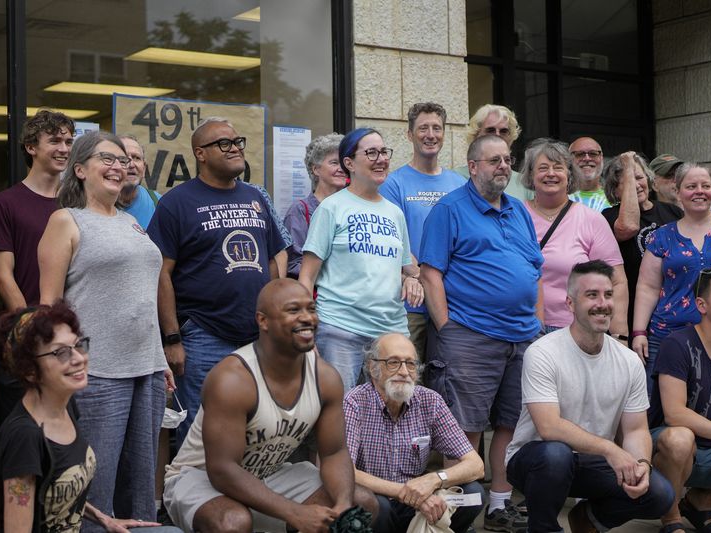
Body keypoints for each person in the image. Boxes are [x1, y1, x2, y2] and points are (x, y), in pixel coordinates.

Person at [163, 279, 379, 532]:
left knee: (360, 502)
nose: (307, 317)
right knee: (232, 522)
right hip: (201, 476)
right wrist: (295, 512)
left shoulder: (326, 378)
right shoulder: (232, 379)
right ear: (263, 321)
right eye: (293, 310)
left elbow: (333, 453)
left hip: (270, 473)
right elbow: (222, 469)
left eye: (311, 309)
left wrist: (342, 505)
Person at [39, 131, 171, 530]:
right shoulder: (66, 220)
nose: (120, 167)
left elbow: (142, 297)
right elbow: (49, 307)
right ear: (79, 169)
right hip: (96, 371)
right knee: (97, 483)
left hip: (145, 369)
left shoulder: (132, 222)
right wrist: (58, 369)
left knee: (139, 485)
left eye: (123, 160)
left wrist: (160, 360)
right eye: (107, 159)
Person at [419, 134, 542, 532]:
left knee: (510, 423)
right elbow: (431, 273)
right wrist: (447, 329)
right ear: (473, 167)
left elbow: (533, 271)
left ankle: (498, 506)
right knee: (465, 425)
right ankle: (460, 512)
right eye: (493, 160)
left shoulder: (520, 211)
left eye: (507, 159)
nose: (503, 166)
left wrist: (537, 326)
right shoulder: (450, 209)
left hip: (522, 336)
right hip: (470, 334)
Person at [505, 260, 675, 533]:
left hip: (593, 462)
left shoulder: (629, 361)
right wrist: (610, 449)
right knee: (556, 455)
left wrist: (641, 464)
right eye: (592, 295)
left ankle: (589, 519)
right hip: (536, 460)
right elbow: (549, 427)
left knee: (659, 493)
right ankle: (543, 529)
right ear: (570, 304)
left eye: (608, 295)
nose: (603, 303)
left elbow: (635, 430)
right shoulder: (543, 352)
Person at [146, 117, 286, 444]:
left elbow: (271, 261)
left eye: (238, 141)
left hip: (256, 337)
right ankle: (194, 495)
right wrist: (172, 339)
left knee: (256, 427)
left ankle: (248, 495)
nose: (235, 148)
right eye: (224, 143)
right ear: (200, 153)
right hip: (202, 336)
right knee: (198, 431)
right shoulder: (176, 203)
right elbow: (160, 273)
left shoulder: (256, 198)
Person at [0, 302, 180, 533]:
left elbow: (59, 491)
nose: (79, 358)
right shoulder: (24, 437)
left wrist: (104, 519)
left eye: (78, 345)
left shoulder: (66, 404)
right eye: (61, 352)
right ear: (29, 369)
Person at [299, 127, 423, 391]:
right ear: (349, 163)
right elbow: (307, 275)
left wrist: (414, 279)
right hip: (340, 331)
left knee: (392, 411)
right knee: (339, 415)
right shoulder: (331, 208)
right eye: (371, 153)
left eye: (384, 152)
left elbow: (405, 268)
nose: (381, 159)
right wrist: (305, 328)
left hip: (391, 332)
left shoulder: (395, 213)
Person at [344, 332, 485, 533]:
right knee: (374, 505)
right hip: (378, 500)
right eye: (393, 362)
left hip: (419, 501)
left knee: (473, 494)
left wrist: (434, 480)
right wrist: (408, 493)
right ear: (372, 367)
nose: (404, 371)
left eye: (410, 364)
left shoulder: (430, 401)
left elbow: (476, 465)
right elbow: (345, 472)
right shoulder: (354, 402)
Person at [0, 109, 75, 423]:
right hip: (24, 339)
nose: (64, 148)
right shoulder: (6, 204)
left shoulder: (75, 204)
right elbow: (3, 274)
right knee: (24, 431)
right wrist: (29, 329)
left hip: (69, 338)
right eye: (54, 140)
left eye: (68, 140)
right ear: (31, 147)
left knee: (65, 434)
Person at [380, 103, 466, 358]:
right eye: (423, 128)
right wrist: (422, 278)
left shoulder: (459, 183)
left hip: (454, 302)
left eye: (437, 128)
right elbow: (395, 241)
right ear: (409, 134)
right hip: (412, 303)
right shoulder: (393, 183)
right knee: (407, 376)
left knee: (449, 378)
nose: (431, 134)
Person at [519, 138, 628, 336]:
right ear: (530, 175)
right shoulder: (513, 215)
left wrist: (620, 336)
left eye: (558, 167)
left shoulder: (591, 219)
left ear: (569, 175)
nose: (550, 174)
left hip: (575, 330)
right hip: (518, 327)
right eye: (543, 168)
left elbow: (617, 281)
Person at [632, 163, 711, 396]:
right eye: (691, 186)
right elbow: (648, 287)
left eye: (705, 185)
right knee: (656, 407)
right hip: (667, 335)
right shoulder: (662, 236)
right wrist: (639, 332)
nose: (699, 191)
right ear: (678, 192)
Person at [649, 267, 711, 533]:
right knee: (680, 437)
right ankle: (671, 517)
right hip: (670, 449)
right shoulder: (678, 343)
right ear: (701, 305)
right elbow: (674, 414)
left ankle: (701, 502)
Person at [601, 152, 683, 332]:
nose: (637, 185)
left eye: (639, 177)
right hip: (632, 313)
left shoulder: (672, 212)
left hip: (674, 309)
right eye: (628, 181)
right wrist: (629, 165)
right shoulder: (609, 216)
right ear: (615, 190)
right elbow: (628, 227)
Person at [284, 133, 346, 278]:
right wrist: (336, 275)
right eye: (334, 163)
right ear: (316, 169)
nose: (341, 168)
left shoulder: (353, 208)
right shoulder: (299, 210)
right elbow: (294, 263)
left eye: (344, 163)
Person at [456, 104, 530, 201]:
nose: (497, 135)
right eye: (490, 130)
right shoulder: (456, 177)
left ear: (511, 137)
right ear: (475, 135)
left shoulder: (523, 182)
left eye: (504, 131)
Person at [116, 134, 161, 229]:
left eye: (136, 158)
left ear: (144, 168)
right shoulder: (95, 205)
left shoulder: (159, 203)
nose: (131, 164)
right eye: (123, 158)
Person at [567, 137, 610, 212]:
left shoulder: (615, 196)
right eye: (580, 154)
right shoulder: (559, 197)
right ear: (568, 159)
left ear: (601, 157)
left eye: (593, 154)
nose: (587, 158)